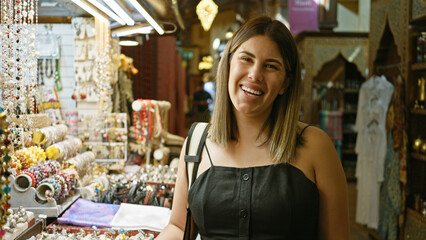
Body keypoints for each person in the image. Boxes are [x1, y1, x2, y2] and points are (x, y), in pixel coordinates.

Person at [157, 16, 350, 239]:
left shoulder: (316, 147)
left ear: (285, 83)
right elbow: (180, 227)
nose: (255, 75)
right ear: (228, 65)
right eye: (246, 59)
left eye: (270, 66)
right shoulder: (197, 144)